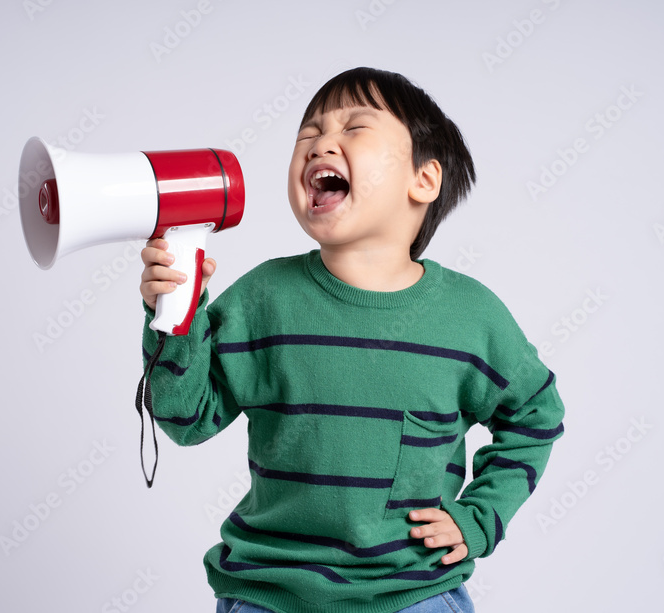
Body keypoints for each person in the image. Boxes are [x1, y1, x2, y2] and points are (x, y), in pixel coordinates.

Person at [139, 67, 565, 613]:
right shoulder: (263, 298)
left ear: (423, 180)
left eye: (355, 127)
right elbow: (186, 419)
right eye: (308, 135)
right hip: (269, 592)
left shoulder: (471, 317)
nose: (321, 144)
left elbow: (535, 415)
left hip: (412, 592)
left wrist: (479, 517)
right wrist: (175, 314)